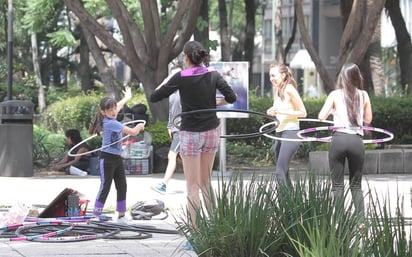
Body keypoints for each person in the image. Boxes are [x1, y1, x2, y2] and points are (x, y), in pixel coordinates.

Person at [149, 41, 237, 225]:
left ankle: (195, 232)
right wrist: (211, 104)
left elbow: (154, 97)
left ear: (186, 58)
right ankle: (215, 227)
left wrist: (167, 81)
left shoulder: (181, 77)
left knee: (193, 186)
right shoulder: (213, 74)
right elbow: (231, 97)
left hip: (190, 134)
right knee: (206, 182)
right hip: (212, 131)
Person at [318, 63, 372, 215]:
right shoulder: (364, 95)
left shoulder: (335, 95)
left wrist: (334, 110)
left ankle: (340, 223)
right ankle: (361, 221)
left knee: (337, 185)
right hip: (356, 141)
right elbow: (368, 120)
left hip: (339, 140)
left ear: (342, 77)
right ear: (357, 77)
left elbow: (321, 117)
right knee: (356, 186)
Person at [88, 86, 145, 223]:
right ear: (103, 112)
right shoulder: (110, 123)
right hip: (106, 158)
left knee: (122, 185)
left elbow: (119, 105)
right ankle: (96, 215)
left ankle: (121, 215)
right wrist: (140, 126)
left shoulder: (111, 115)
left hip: (117, 158)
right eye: (110, 110)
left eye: (114, 109)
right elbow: (133, 132)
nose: (114, 111)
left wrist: (127, 97)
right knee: (105, 186)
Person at [266, 63, 307, 185]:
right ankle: (292, 203)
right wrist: (270, 110)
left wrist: (281, 111)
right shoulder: (277, 89)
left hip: (291, 132)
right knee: (284, 173)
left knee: (280, 172)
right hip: (279, 132)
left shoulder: (289, 89)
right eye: (270, 76)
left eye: (274, 75)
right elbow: (277, 108)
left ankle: (284, 203)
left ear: (283, 75)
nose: (271, 79)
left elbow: (303, 112)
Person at [152, 65, 183, 194]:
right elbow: (156, 93)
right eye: (173, 75)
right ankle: (199, 183)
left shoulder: (186, 89)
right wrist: (170, 126)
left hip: (183, 128)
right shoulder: (171, 91)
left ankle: (163, 184)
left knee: (172, 155)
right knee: (184, 159)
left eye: (178, 75)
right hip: (175, 128)